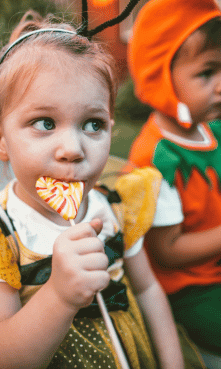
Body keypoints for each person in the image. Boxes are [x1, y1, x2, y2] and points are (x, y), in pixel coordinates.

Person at [0, 10, 204, 369]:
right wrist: (60, 296)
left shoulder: (114, 209)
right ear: (0, 138)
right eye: (45, 123)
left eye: (93, 124)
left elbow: (146, 290)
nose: (73, 148)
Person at [126, 0, 221, 357]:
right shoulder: (156, 159)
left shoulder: (213, 132)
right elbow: (167, 252)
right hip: (190, 290)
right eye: (206, 73)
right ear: (161, 77)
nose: (220, 85)